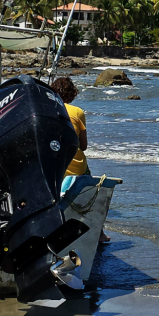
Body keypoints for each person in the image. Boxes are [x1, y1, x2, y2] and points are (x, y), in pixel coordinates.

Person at [50, 77, 110, 244]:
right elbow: (83, 146)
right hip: (75, 167)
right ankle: (99, 234)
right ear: (72, 94)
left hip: (52, 166)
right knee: (94, 193)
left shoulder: (47, 108)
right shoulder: (77, 112)